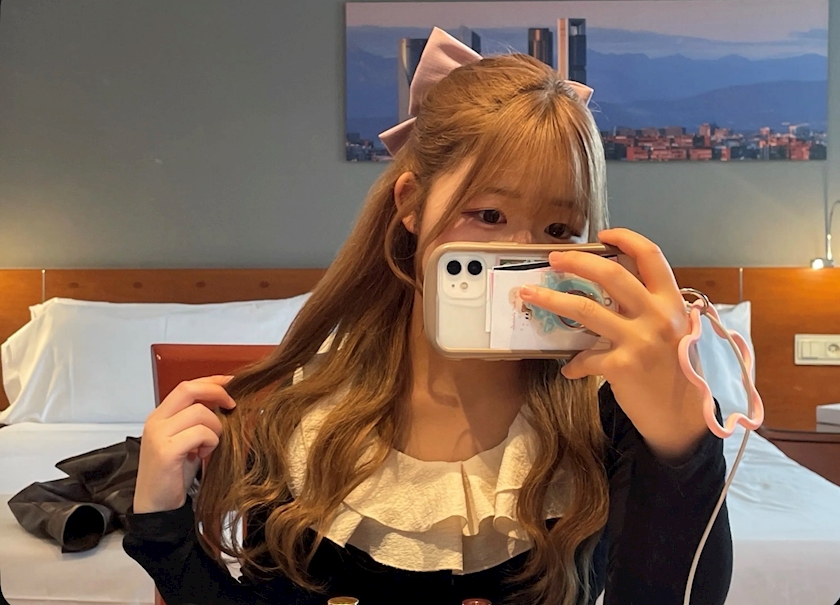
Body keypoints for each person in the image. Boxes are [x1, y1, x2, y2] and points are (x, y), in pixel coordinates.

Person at [123, 27, 732, 605]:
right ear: (412, 204)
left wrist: (683, 443)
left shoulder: (604, 413)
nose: (519, 258)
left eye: (557, 229)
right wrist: (161, 526)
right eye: (488, 216)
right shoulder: (305, 414)